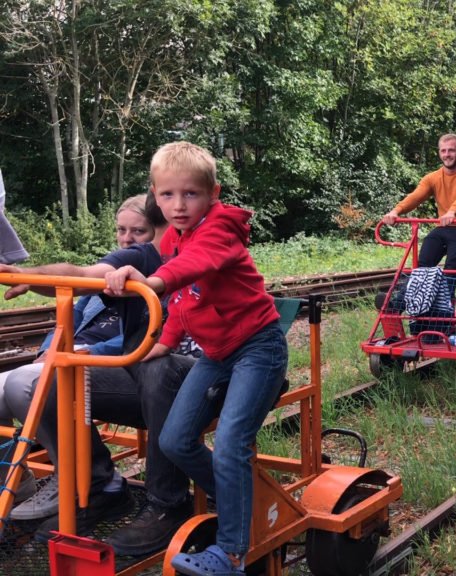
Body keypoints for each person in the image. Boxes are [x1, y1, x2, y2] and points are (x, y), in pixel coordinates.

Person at [104, 142, 286, 575]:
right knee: (173, 440)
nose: (178, 205)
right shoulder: (175, 238)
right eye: (167, 195)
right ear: (154, 194)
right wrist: (162, 343)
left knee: (230, 444)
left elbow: (195, 269)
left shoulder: (219, 229)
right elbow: (188, 303)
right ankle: (239, 500)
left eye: (191, 194)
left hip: (258, 350)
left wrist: (152, 281)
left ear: (212, 194)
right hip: (218, 354)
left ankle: (233, 552)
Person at [0, 194, 154, 518]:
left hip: (100, 365)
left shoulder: (150, 274)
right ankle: (14, 482)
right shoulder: (109, 277)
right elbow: (67, 312)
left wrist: (77, 353)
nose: (126, 239)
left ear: (156, 232)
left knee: (22, 383)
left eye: (137, 232)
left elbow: (135, 339)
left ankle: (87, 477)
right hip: (66, 359)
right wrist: (48, 351)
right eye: (121, 230)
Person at [382, 134, 456, 271]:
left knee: (451, 271)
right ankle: (408, 292)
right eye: (443, 150)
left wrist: (452, 212)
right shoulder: (432, 178)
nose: (447, 154)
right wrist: (396, 211)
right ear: (439, 153)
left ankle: (446, 290)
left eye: (451, 150)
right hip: (444, 227)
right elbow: (416, 196)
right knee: (422, 266)